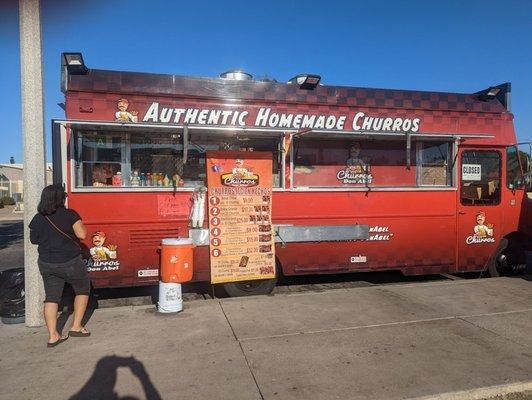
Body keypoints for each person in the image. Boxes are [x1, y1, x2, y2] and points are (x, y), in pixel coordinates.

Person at [29, 184, 91, 347]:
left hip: (46, 263)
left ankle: (53, 336)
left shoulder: (37, 218)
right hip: (69, 261)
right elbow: (82, 234)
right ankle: (76, 326)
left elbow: (33, 240)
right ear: (60, 198)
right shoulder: (70, 215)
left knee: (51, 297)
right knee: (83, 289)